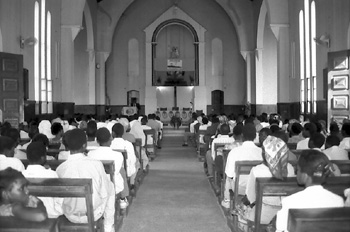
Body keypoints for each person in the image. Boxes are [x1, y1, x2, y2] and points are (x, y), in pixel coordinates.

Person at [56, 129, 115, 232]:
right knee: (110, 186)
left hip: (70, 215)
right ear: (84, 145)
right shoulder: (96, 164)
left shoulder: (61, 168)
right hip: (93, 214)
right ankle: (108, 227)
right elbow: (104, 192)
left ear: (67, 146)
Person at [275, 150, 344, 232]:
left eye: (298, 170)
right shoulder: (338, 201)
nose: (297, 172)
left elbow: (280, 229)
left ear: (305, 176)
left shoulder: (290, 201)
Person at [240, 135, 295, 225]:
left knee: (240, 214)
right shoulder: (290, 168)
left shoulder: (257, 170)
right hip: (286, 215)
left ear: (264, 154)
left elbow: (251, 197)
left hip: (262, 215)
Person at [22, 142, 63, 218]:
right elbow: (59, 198)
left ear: (27, 157)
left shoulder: (21, 175)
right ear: (43, 157)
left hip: (27, 216)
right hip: (50, 215)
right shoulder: (51, 174)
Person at [225, 124, 262, 196]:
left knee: (228, 177)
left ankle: (227, 200)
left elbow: (229, 174)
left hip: (239, 188)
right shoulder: (261, 152)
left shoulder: (234, 152)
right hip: (257, 187)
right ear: (255, 136)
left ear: (242, 136)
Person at [87, 127, 124, 195]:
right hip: (113, 186)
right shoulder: (118, 155)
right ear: (111, 139)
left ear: (97, 141)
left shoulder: (90, 154)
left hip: (96, 186)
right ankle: (122, 199)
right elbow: (116, 171)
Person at [111, 123, 137, 209]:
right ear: (123, 133)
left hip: (108, 174)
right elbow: (132, 161)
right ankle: (130, 186)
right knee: (135, 163)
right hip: (124, 172)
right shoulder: (128, 144)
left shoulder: (109, 144)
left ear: (112, 133)